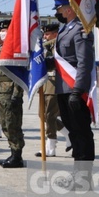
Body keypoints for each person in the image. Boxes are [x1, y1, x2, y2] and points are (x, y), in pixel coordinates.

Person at [52, 0, 95, 165]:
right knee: (73, 131)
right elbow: (61, 60)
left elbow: (84, 62)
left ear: (68, 10)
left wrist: (78, 90)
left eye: (59, 9)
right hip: (63, 88)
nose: (58, 13)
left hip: (73, 89)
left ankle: (84, 175)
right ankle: (78, 172)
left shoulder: (79, 29)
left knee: (81, 131)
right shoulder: (64, 30)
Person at [0, 19, 26, 168]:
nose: (1, 33)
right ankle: (13, 153)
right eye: (1, 31)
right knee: (5, 125)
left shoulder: (16, 49)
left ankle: (17, 156)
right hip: (0, 91)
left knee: (13, 124)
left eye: (5, 30)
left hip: (10, 92)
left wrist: (16, 94)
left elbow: (20, 73)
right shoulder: (4, 48)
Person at [35, 22, 69, 157]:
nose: (45, 36)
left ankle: (50, 146)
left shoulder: (59, 46)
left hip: (55, 83)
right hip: (45, 84)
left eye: (48, 34)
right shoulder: (46, 46)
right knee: (42, 115)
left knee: (49, 115)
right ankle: (68, 133)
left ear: (56, 34)